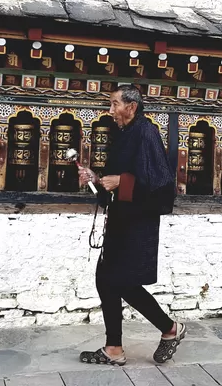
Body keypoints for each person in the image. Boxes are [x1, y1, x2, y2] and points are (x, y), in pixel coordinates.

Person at [77, 85, 185, 365]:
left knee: (122, 282)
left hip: (138, 222)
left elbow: (162, 185)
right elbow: (118, 181)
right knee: (107, 280)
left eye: (114, 104)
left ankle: (169, 329)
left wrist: (122, 181)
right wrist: (95, 178)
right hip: (121, 220)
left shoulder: (146, 132)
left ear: (132, 107)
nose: (110, 111)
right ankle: (114, 348)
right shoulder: (123, 135)